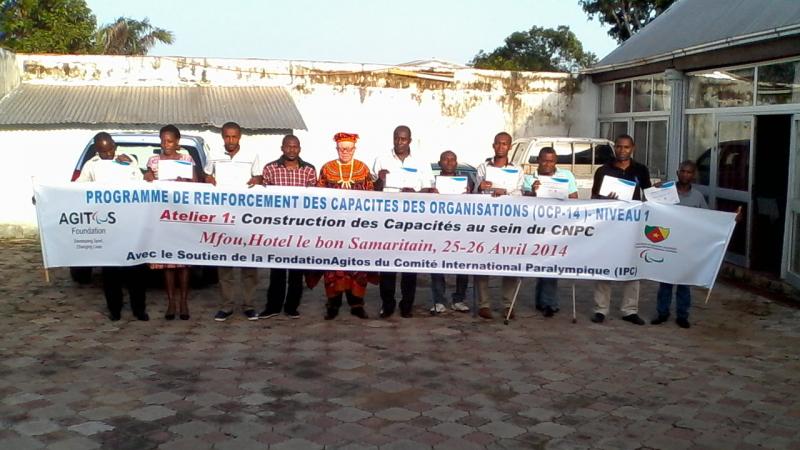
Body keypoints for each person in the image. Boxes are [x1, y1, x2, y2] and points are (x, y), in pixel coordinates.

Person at [77, 132, 149, 322]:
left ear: (115, 146)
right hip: (106, 223)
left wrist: (132, 165)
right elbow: (75, 190)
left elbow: (142, 185)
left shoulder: (128, 160)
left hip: (130, 222)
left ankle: (139, 309)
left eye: (110, 150)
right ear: (97, 150)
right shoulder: (90, 165)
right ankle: (114, 309)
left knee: (135, 268)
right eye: (103, 151)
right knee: (110, 272)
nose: (108, 154)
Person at [372, 125, 435, 318]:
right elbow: (373, 189)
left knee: (409, 265)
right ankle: (387, 304)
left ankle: (407, 305)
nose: (400, 142)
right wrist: (380, 180)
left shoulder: (421, 161)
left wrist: (415, 194)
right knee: (387, 265)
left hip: (412, 219)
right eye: (397, 138)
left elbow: (428, 188)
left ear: (410, 140)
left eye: (403, 139)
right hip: (387, 218)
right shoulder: (381, 159)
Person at [590, 134, 652, 325]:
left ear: (632, 148)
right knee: (604, 264)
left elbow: (648, 196)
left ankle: (629, 310)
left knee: (632, 265)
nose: (622, 150)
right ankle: (601, 309)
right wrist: (605, 199)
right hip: (609, 225)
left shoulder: (641, 170)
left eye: (626, 147)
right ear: (614, 148)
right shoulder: (603, 170)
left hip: (632, 226)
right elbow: (593, 198)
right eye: (618, 147)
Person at [205, 122, 263, 322]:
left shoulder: (251, 155)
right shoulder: (213, 153)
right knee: (225, 264)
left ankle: (249, 305)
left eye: (234, 137)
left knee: (248, 263)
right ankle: (226, 306)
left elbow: (258, 177)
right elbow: (207, 174)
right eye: (227, 137)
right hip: (223, 215)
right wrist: (209, 180)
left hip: (246, 215)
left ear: (240, 137)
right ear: (222, 137)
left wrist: (256, 181)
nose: (230, 141)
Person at [144, 125, 198, 321]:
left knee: (183, 263)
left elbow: (195, 184)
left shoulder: (186, 159)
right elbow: (147, 182)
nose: (165, 144)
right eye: (162, 140)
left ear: (177, 141)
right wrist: (147, 176)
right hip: (161, 216)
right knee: (167, 262)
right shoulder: (153, 161)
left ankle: (184, 301)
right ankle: (171, 302)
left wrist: (183, 180)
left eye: (169, 141)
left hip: (182, 216)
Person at [260, 135, 317, 319]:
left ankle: (292, 306)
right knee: (277, 271)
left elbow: (315, 199)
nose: (292, 150)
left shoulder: (309, 170)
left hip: (300, 227)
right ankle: (273, 306)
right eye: (288, 146)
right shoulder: (270, 169)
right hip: (277, 228)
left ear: (299, 149)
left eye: (295, 147)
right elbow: (263, 198)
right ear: (282, 148)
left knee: (296, 271)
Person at [317, 132, 373, 320]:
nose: (345, 152)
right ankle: (333, 304)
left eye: (349, 149)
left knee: (357, 266)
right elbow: (320, 196)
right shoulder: (328, 168)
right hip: (333, 228)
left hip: (357, 228)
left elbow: (371, 198)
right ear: (337, 149)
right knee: (333, 266)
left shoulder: (362, 169)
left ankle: (357, 304)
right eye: (342, 149)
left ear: (354, 149)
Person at [474, 132, 525, 320]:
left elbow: (520, 194)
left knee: (509, 263)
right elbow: (473, 194)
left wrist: (507, 191)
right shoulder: (482, 167)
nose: (501, 147)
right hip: (486, 223)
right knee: (482, 263)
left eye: (505, 144)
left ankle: (507, 305)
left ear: (510, 147)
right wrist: (481, 188)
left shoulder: (518, 170)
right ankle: (484, 304)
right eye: (498, 143)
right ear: (493, 145)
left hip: (509, 223)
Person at [651, 160, 707, 329]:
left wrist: (730, 220)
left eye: (689, 172)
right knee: (665, 281)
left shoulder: (697, 197)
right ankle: (662, 313)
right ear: (677, 172)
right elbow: (648, 205)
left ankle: (682, 315)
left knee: (684, 282)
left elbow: (708, 218)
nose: (685, 175)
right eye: (682, 171)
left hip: (687, 245)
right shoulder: (666, 191)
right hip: (667, 242)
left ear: (694, 175)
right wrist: (654, 190)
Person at [524, 146, 579, 318]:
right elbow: (522, 202)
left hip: (559, 225)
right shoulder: (528, 178)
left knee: (551, 261)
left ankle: (548, 302)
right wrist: (533, 192)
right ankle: (544, 301)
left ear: (556, 162)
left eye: (552, 160)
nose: (548, 164)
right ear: (538, 161)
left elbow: (574, 198)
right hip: (536, 226)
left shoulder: (566, 176)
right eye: (544, 160)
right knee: (542, 261)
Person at [428, 150, 472, 314]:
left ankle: (459, 300)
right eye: (445, 159)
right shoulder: (431, 182)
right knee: (437, 265)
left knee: (463, 264)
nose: (448, 162)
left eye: (452, 159)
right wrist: (430, 194)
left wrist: (468, 194)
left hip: (461, 229)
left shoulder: (467, 182)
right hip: (438, 227)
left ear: (456, 163)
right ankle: (439, 301)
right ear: (439, 163)